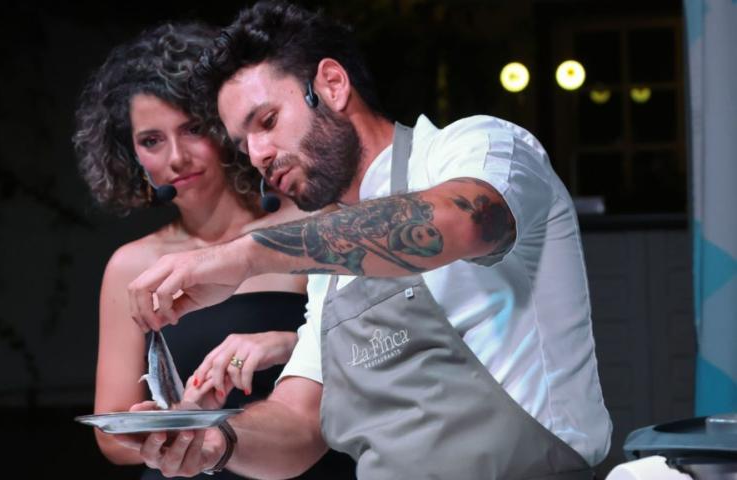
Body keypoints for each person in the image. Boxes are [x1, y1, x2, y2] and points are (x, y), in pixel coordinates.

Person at [127, 2, 613, 479]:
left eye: (268, 121)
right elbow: (298, 421)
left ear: (332, 85)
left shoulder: (479, 146)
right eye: (243, 144)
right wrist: (215, 440)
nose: (258, 155)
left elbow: (460, 221)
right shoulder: (327, 267)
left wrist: (247, 255)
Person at [73, 21, 353, 480]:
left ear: (226, 129)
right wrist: (172, 423)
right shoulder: (131, 265)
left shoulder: (308, 227)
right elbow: (111, 436)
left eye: (193, 129)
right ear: (130, 156)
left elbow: (371, 359)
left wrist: (287, 345)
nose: (176, 157)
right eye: (151, 141)